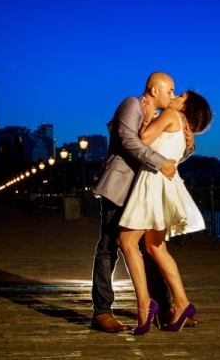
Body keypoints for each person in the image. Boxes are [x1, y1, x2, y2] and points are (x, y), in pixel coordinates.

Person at [90, 72, 195, 333]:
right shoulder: (132, 104)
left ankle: (162, 306)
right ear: (153, 89)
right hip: (121, 188)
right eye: (170, 90)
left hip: (145, 191)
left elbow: (167, 156)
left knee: (150, 248)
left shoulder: (160, 117)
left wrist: (188, 145)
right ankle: (102, 311)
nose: (173, 95)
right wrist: (160, 162)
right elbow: (128, 140)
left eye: (175, 92)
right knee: (109, 247)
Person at [117, 90, 213, 334]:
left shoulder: (171, 114)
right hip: (166, 184)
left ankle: (144, 306)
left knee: (127, 241)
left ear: (186, 106)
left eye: (180, 96)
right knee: (155, 248)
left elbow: (145, 138)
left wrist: (148, 117)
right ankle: (181, 303)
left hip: (152, 182)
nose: (174, 97)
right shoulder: (184, 129)